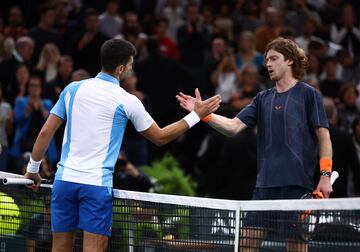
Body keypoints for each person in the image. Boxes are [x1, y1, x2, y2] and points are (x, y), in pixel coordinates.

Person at [24, 38, 220, 252]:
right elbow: (160, 137)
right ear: (120, 68)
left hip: (64, 183)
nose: (131, 67)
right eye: (130, 64)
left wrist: (32, 169)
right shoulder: (128, 100)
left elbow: (46, 131)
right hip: (95, 187)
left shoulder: (72, 89)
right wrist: (196, 115)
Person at [177, 37, 333, 252]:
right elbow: (232, 127)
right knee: (245, 245)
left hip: (296, 186)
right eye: (266, 59)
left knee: (296, 248)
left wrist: (325, 175)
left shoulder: (308, 94)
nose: (268, 64)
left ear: (289, 61)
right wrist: (203, 115)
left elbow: (323, 135)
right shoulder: (262, 98)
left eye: (274, 58)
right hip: (264, 188)